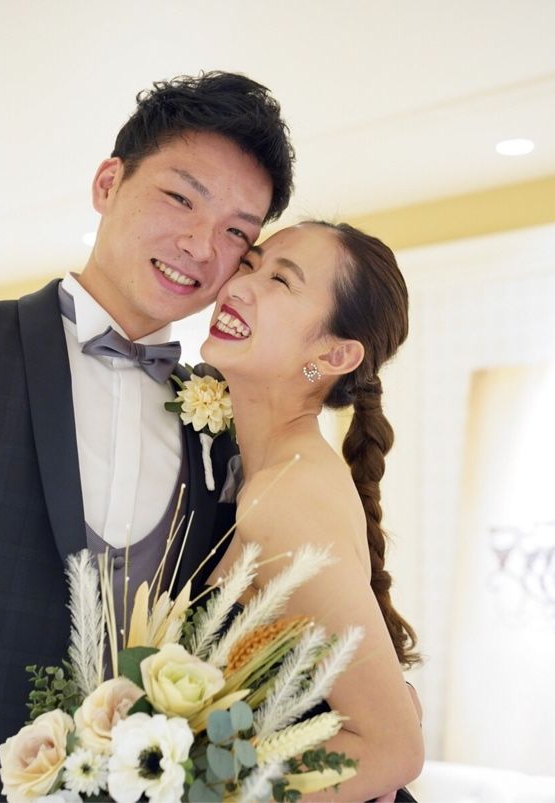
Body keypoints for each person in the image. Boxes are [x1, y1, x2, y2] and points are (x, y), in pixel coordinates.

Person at [0, 71, 294, 802]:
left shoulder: (225, 420)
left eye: (236, 232)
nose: (201, 245)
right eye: (180, 198)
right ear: (107, 183)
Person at [202, 221, 425, 801]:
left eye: (280, 281)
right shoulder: (275, 474)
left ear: (332, 355)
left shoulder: (287, 495)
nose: (238, 286)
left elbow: (393, 748)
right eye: (250, 264)